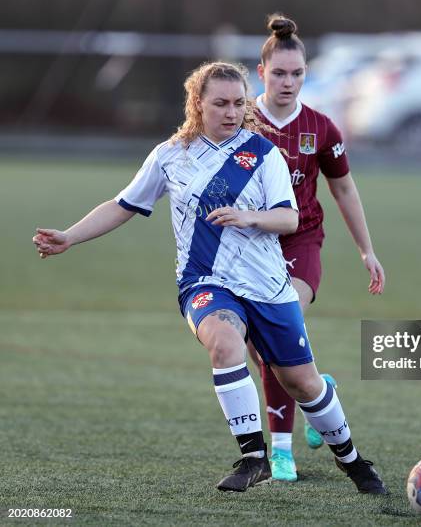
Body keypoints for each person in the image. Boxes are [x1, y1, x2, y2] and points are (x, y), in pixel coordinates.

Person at [32, 61, 387, 494]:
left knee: (303, 383)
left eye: (239, 103)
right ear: (197, 104)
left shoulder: (263, 153)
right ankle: (253, 456)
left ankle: (353, 462)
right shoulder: (169, 156)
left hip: (267, 285)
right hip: (204, 282)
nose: (232, 111)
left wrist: (248, 217)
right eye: (220, 103)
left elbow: (289, 218)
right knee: (225, 343)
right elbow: (122, 204)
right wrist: (69, 236)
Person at [249, 14, 386, 483]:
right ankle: (318, 390)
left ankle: (281, 451)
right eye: (279, 72)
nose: (288, 82)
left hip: (301, 240)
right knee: (261, 344)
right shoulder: (240, 120)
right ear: (261, 70)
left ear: (306, 74)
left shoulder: (321, 128)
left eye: (297, 73)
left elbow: (344, 190)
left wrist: (367, 250)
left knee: (276, 328)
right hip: (251, 246)